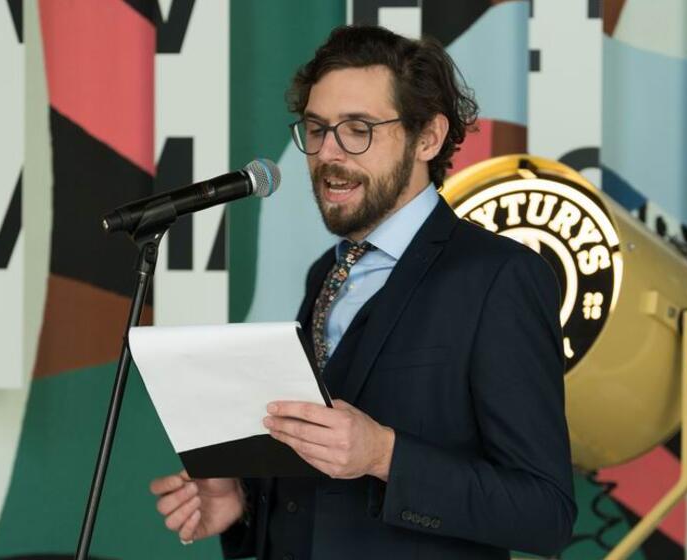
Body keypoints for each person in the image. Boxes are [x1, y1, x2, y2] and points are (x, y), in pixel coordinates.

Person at [149, 25, 576, 559]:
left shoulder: (500, 276)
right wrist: (244, 505)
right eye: (317, 129)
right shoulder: (324, 274)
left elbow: (546, 513)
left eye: (358, 129)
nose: (328, 153)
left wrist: (385, 455)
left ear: (428, 137)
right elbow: (318, 492)